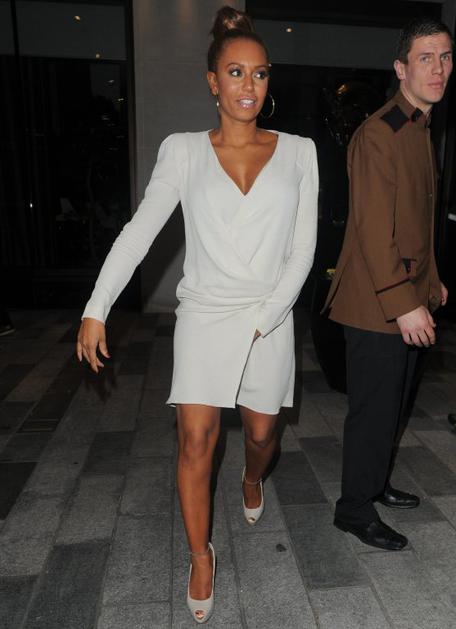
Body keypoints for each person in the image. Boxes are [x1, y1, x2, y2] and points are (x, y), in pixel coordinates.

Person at [77, 6, 318, 623]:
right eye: (235, 72)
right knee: (195, 440)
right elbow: (139, 232)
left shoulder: (299, 153)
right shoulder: (182, 152)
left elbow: (303, 252)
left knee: (262, 435)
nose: (248, 85)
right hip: (206, 314)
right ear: (213, 81)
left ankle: (252, 478)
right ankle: (200, 554)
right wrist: (97, 306)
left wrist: (267, 319)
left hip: (268, 313)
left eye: (259, 73)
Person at [324, 17, 453, 551]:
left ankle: (374, 483)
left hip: (407, 293)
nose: (438, 68)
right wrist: (405, 304)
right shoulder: (380, 133)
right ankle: (354, 509)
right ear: (401, 68)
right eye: (425, 58)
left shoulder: (420, 126)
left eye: (445, 56)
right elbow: (375, 231)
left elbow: (417, 222)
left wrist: (433, 282)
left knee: (395, 405)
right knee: (374, 409)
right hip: (375, 303)